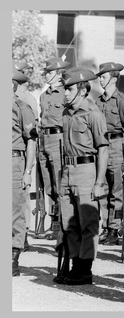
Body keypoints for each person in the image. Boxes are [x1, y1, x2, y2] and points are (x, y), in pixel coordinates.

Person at [56, 67, 110, 285]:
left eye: (68, 89)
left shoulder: (93, 114)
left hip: (87, 171)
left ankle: (84, 269)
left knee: (88, 222)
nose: (65, 93)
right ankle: (73, 264)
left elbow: (103, 149)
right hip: (68, 171)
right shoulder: (66, 113)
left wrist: (99, 182)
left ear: (81, 89)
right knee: (69, 222)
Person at [95, 62, 124, 246]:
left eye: (103, 76)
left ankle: (115, 228)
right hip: (101, 147)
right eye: (100, 76)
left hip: (117, 146)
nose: (100, 79)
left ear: (114, 79)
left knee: (116, 190)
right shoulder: (98, 101)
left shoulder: (122, 101)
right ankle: (106, 226)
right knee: (103, 189)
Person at [35, 57, 70, 241]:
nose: (46, 76)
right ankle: (54, 223)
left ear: (58, 73)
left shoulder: (65, 94)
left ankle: (62, 227)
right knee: (48, 184)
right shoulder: (43, 95)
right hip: (44, 139)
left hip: (58, 140)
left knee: (59, 183)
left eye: (48, 72)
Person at [13, 69, 38, 276]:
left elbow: (31, 141)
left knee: (15, 210)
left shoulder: (23, 108)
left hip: (15, 162)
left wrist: (28, 171)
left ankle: (13, 257)